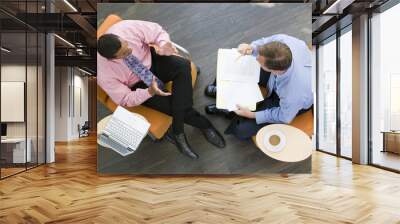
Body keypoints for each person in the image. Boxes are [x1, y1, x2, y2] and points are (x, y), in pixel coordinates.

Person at [97, 20, 225, 160]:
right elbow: (124, 99)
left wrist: (164, 44)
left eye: (126, 45)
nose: (129, 50)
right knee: (176, 106)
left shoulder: (124, 28)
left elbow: (156, 31)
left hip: (153, 61)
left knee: (182, 65)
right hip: (139, 85)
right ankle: (204, 125)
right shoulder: (103, 71)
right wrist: (149, 92)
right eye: (123, 53)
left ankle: (177, 131)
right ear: (112, 59)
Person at [205, 34, 313, 140]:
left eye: (260, 63)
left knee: (241, 129)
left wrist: (252, 115)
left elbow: (284, 117)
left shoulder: (293, 95)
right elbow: (263, 43)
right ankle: (226, 98)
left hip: (290, 105)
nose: (256, 59)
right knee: (235, 66)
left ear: (274, 71)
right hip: (283, 81)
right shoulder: (282, 40)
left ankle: (230, 111)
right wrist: (251, 48)